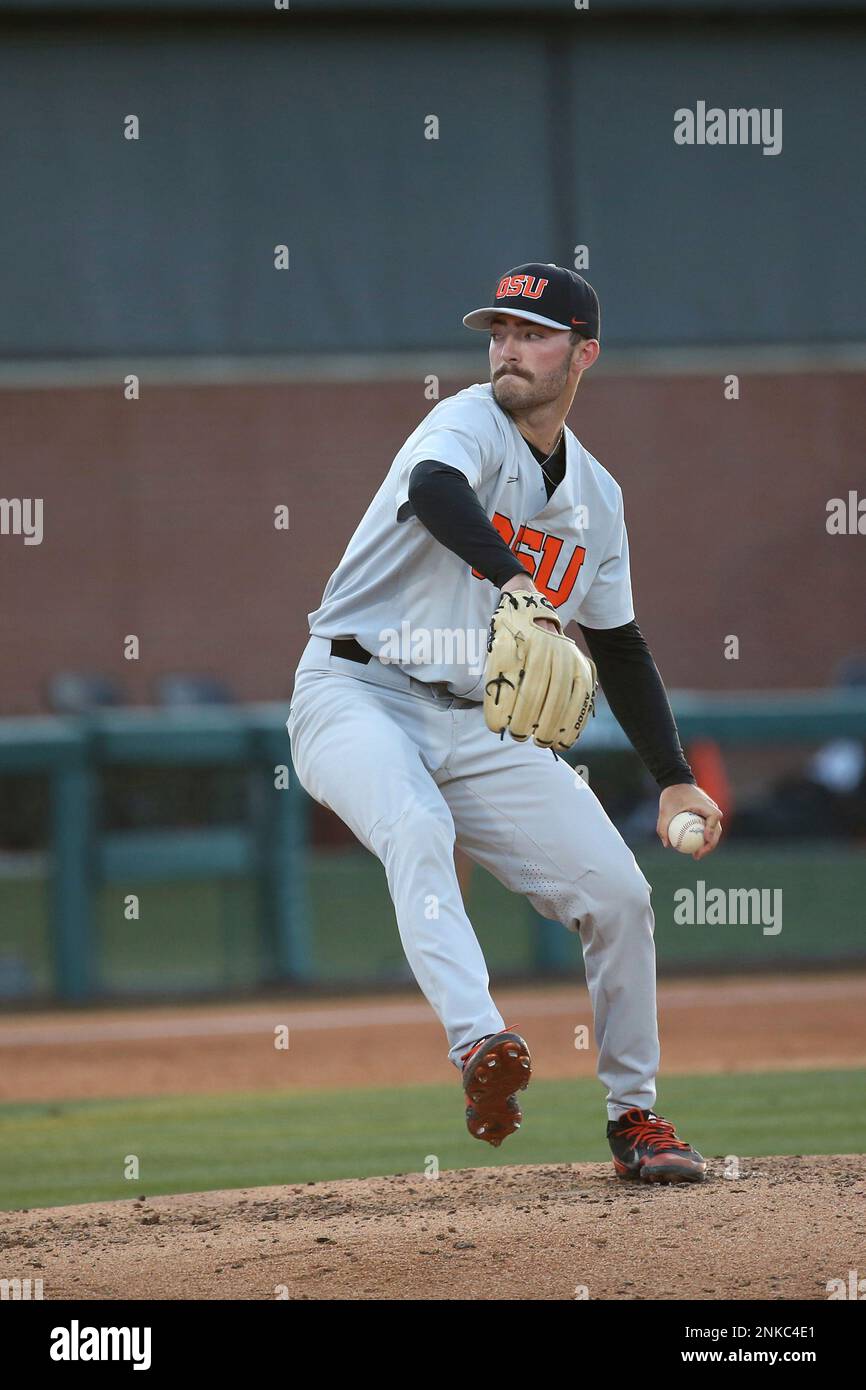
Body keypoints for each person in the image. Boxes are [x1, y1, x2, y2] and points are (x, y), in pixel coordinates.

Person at [287, 263, 722, 1183]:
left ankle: (635, 1119)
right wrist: (515, 577)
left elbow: (622, 645)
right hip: (354, 690)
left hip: (476, 721)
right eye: (498, 332)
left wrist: (673, 772)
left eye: (532, 334)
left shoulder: (597, 499)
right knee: (417, 825)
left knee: (619, 895)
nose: (508, 350)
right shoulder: (465, 421)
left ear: (583, 354)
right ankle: (482, 1044)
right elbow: (440, 493)